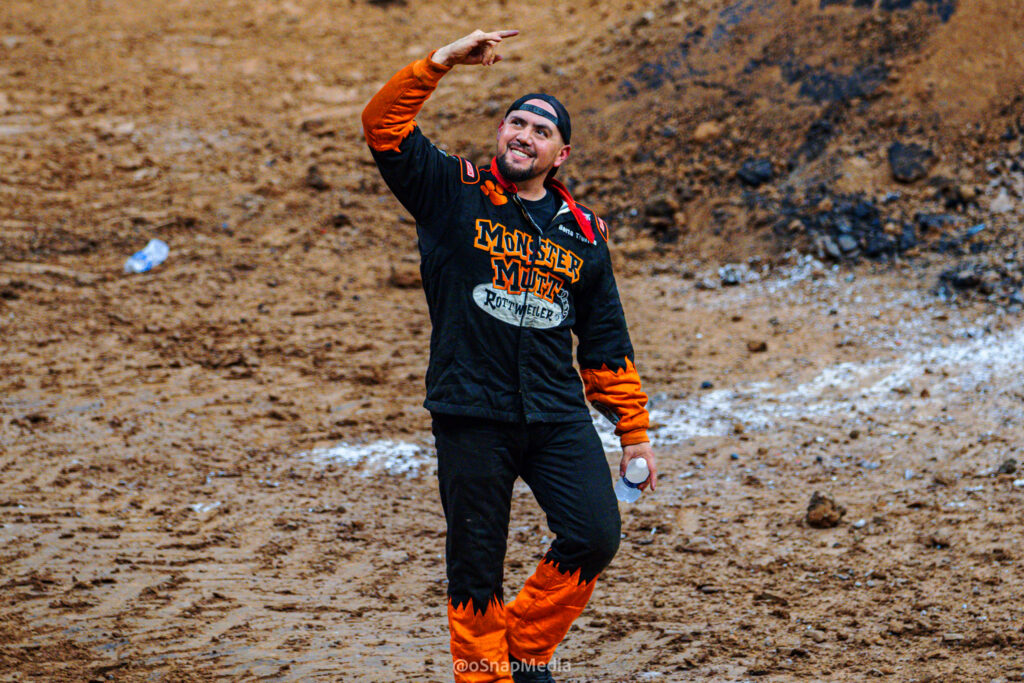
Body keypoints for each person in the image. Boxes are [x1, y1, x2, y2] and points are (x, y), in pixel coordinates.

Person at [361, 29, 657, 683]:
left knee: (594, 534)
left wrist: (632, 433)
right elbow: (382, 127)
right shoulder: (451, 191)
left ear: (561, 153)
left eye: (540, 130)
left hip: (555, 411)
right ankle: (483, 673)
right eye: (516, 122)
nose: (524, 134)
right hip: (471, 409)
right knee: (475, 565)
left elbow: (605, 339)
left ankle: (523, 649)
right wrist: (438, 63)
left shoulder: (584, 234)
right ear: (501, 132)